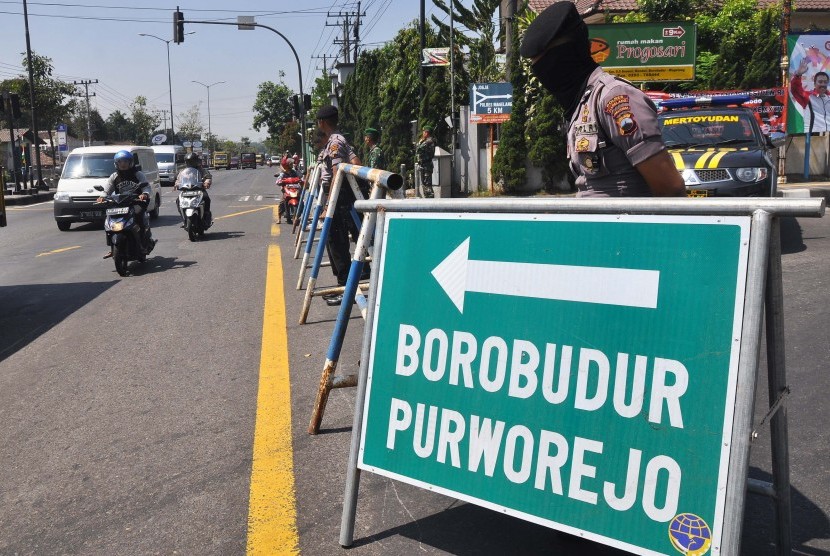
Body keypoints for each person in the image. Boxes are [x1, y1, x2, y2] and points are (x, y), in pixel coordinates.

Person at [519, 2, 684, 197]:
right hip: (595, 224)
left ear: (566, 55)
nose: (541, 73)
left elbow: (670, 187)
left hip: (624, 225)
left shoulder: (614, 97)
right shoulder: (582, 104)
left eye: (543, 62)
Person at [317, 104, 363, 306]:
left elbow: (336, 172)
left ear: (322, 122)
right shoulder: (339, 139)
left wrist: (329, 204)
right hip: (343, 193)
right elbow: (356, 161)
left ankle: (345, 288)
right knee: (336, 239)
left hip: (337, 194)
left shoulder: (334, 142)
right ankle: (345, 284)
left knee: (336, 240)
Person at [97, 150, 156, 253]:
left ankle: (142, 243)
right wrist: (102, 197)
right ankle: (112, 247)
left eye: (125, 161)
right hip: (120, 204)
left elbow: (146, 187)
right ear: (116, 163)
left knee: (138, 216)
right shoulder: (114, 176)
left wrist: (144, 194)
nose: (123, 164)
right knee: (109, 220)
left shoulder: (138, 174)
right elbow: (107, 190)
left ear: (130, 162)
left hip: (136, 202)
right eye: (120, 161)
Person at [790, 59, 830, 132]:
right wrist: (798, 75)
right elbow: (794, 88)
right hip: (813, 136)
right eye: (820, 82)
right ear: (814, 84)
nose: (823, 84)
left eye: (825, 82)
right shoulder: (808, 97)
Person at [174, 152, 213, 224]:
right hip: (186, 190)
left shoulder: (201, 169)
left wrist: (207, 182)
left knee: (206, 198)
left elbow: (208, 176)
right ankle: (184, 217)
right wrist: (176, 184)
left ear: (196, 161)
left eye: (192, 161)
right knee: (178, 201)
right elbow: (178, 178)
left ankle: (206, 214)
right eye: (188, 161)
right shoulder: (183, 171)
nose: (190, 163)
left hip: (198, 189)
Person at [275, 156, 299, 224]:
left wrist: (302, 180)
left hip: (295, 190)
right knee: (282, 203)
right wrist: (280, 182)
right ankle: (279, 218)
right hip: (287, 191)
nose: (292, 165)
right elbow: (277, 181)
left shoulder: (294, 172)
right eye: (291, 164)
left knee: (301, 201)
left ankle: (299, 215)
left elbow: (300, 176)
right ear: (287, 165)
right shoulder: (283, 173)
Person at [415, 125, 436, 198]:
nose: (423, 134)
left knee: (427, 185)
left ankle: (430, 203)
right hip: (424, 165)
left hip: (426, 166)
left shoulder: (428, 141)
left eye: (423, 132)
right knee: (425, 185)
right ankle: (428, 201)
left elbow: (418, 149)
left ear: (426, 133)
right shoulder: (428, 141)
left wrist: (420, 142)